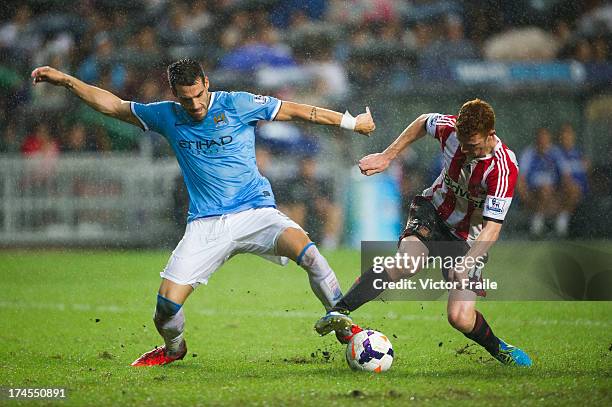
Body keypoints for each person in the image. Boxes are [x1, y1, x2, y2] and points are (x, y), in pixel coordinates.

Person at [31, 58, 375, 366]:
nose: (194, 105)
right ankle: (174, 348)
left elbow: (299, 111)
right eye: (185, 98)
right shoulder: (166, 115)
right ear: (174, 94)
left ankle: (344, 328)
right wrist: (67, 80)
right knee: (165, 308)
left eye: (198, 95)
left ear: (206, 83)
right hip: (206, 225)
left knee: (311, 255)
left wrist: (351, 122)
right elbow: (113, 106)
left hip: (256, 211)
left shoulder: (237, 103)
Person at [314, 99, 532, 366]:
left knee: (460, 317)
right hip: (434, 212)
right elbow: (423, 121)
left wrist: (467, 262)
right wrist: (387, 156)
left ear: (491, 134)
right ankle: (339, 312)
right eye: (462, 142)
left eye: (472, 145)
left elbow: (492, 229)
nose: (464, 149)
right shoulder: (451, 129)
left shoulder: (503, 168)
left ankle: (500, 349)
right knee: (407, 262)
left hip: (468, 238)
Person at [517, 127, 571, 237]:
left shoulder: (556, 153)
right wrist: (524, 196)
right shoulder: (529, 153)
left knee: (574, 189)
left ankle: (562, 221)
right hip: (534, 191)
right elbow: (521, 177)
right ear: (536, 139)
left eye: (545, 138)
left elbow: (566, 174)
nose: (543, 141)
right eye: (540, 138)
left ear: (549, 139)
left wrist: (563, 189)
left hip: (554, 191)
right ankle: (537, 224)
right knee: (544, 189)